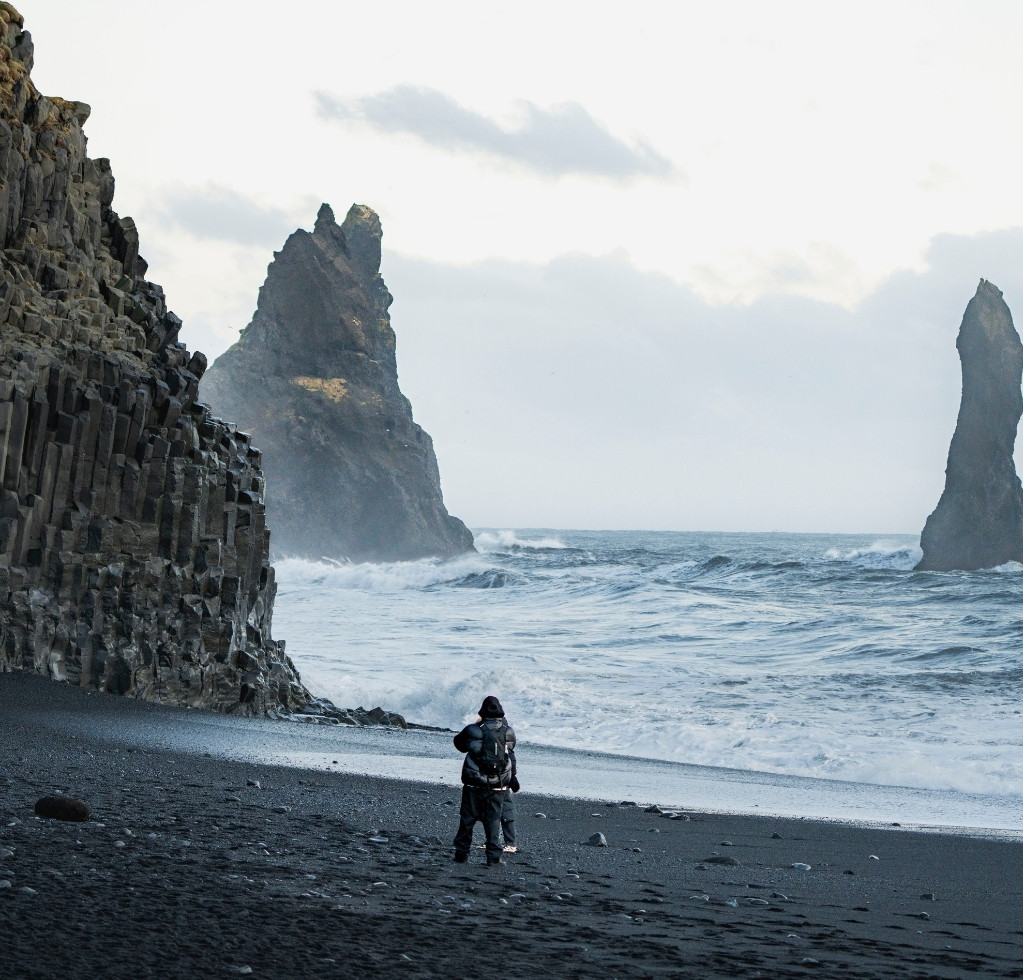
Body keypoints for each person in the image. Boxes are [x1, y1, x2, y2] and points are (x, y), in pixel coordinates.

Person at [452, 695, 519, 866]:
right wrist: (513, 778)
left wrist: (477, 725)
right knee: (493, 822)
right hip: (498, 784)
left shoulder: (473, 730)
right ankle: (493, 857)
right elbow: (510, 752)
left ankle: (461, 854)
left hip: (474, 783)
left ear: (482, 711)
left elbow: (459, 744)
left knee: (467, 819)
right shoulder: (508, 731)